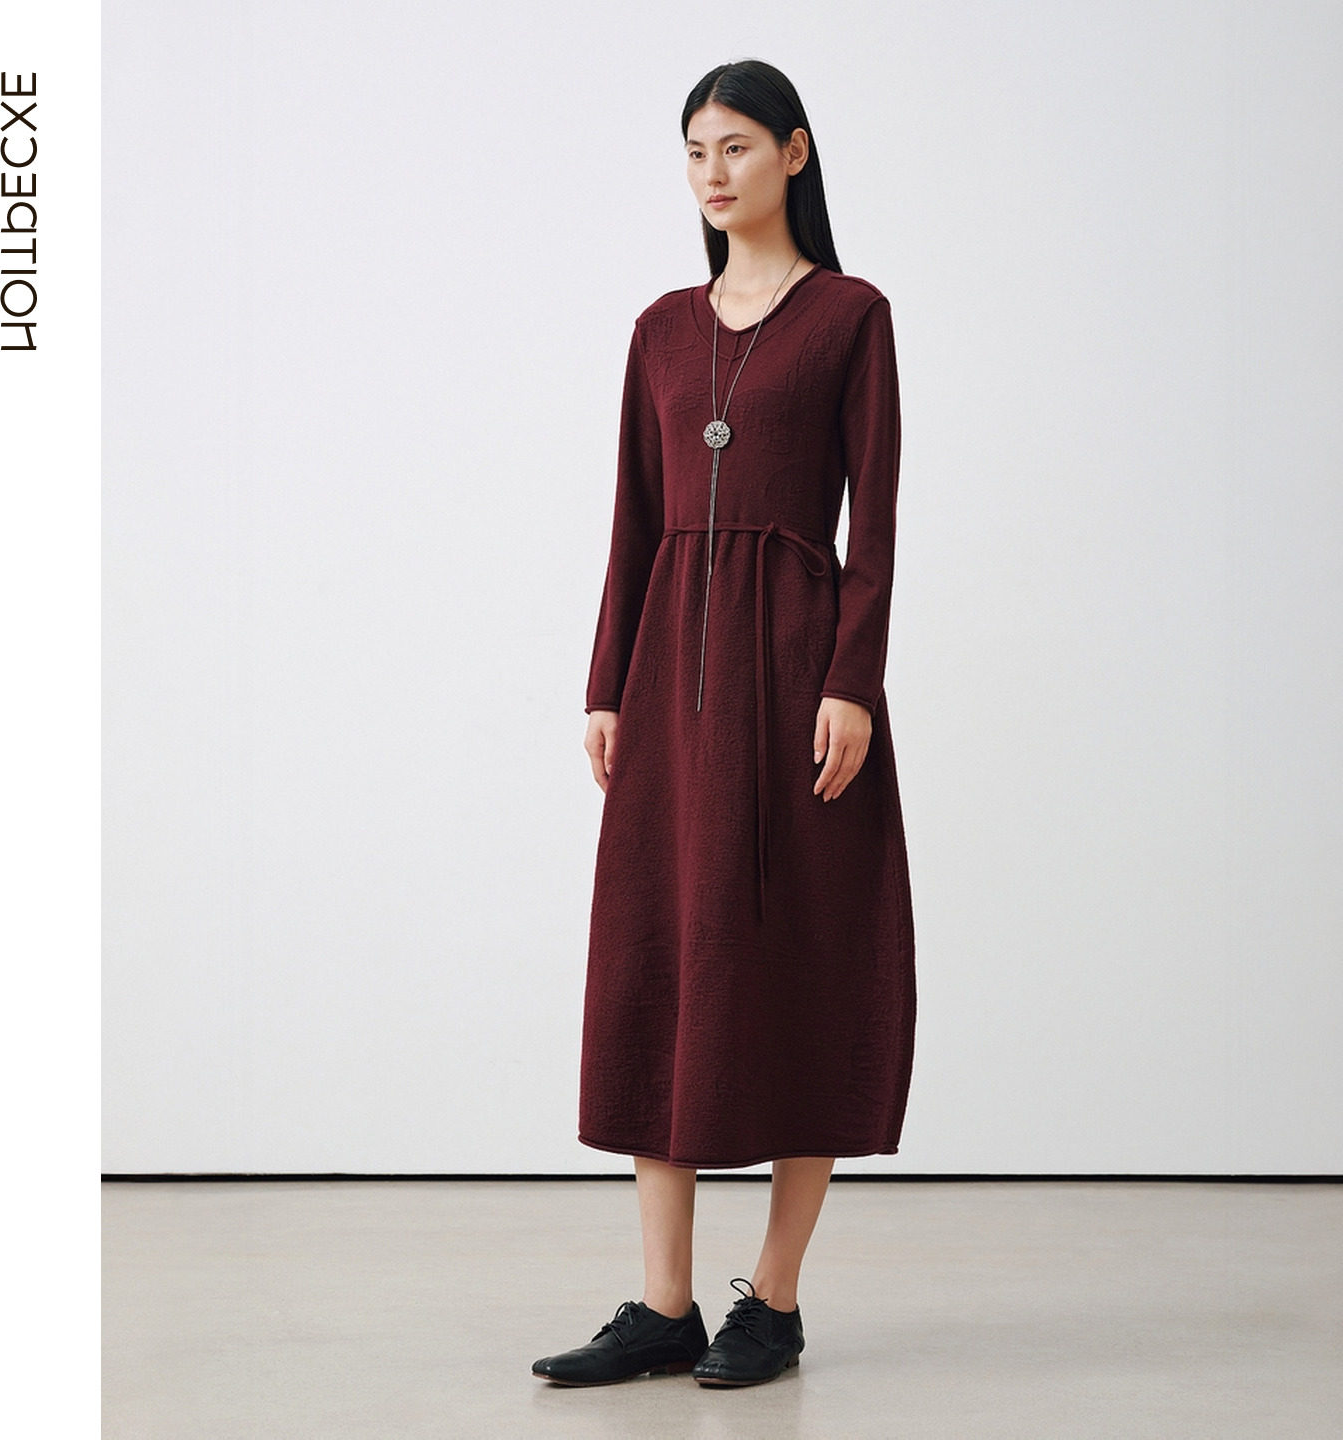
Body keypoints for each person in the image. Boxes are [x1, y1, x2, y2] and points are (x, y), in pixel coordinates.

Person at [533, 58, 917, 1390]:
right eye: (696, 149)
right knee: (662, 958)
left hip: (800, 679)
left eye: (738, 145)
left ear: (796, 155)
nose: (713, 170)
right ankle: (663, 1305)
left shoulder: (852, 317)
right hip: (669, 685)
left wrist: (852, 681)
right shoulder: (658, 329)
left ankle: (777, 1299)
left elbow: (876, 524)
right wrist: (605, 685)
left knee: (806, 960)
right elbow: (633, 519)